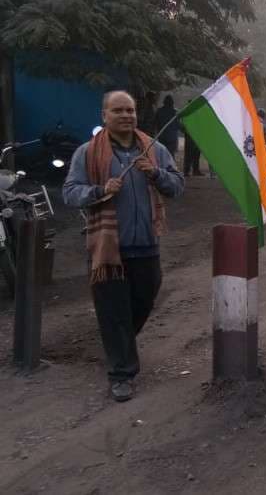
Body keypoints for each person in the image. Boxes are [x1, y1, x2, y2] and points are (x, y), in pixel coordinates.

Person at [63, 91, 184, 402]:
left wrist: (154, 173)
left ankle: (119, 345)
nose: (126, 115)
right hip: (108, 249)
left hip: (146, 244)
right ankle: (121, 375)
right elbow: (70, 192)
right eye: (118, 110)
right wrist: (100, 191)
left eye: (130, 110)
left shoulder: (154, 150)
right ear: (104, 115)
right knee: (113, 310)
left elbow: (177, 186)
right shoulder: (87, 153)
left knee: (144, 300)